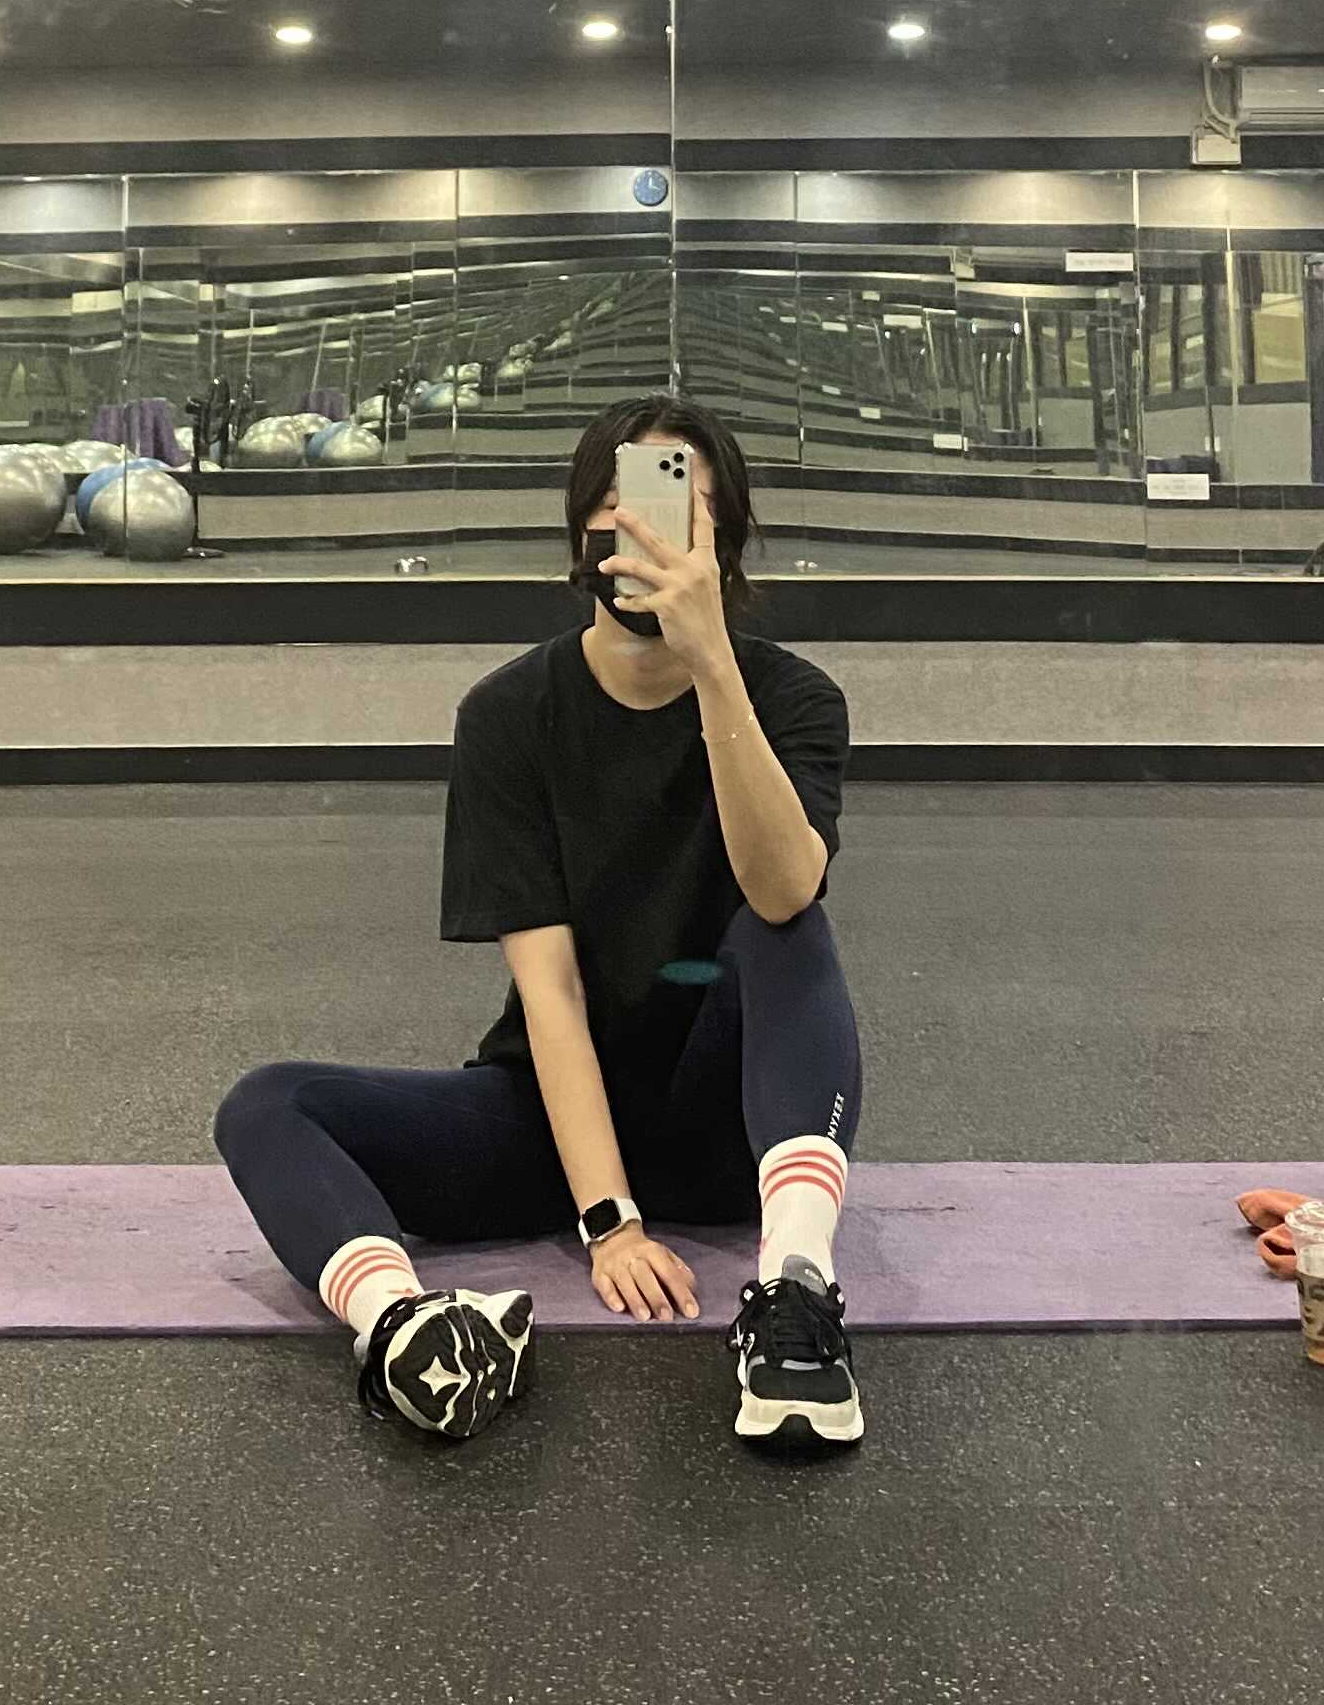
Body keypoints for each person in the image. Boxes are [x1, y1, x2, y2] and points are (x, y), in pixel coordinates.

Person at [214, 394, 865, 1455]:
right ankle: (412, 1331)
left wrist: (713, 666)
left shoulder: (794, 699)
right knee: (269, 1105)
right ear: (581, 534)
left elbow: (786, 887)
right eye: (618, 502)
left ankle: (796, 1291)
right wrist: (609, 1221)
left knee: (784, 925)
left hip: (729, 1117)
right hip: (556, 1127)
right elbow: (549, 991)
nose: (642, 528)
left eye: (680, 506)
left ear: (727, 543)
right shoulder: (509, 715)